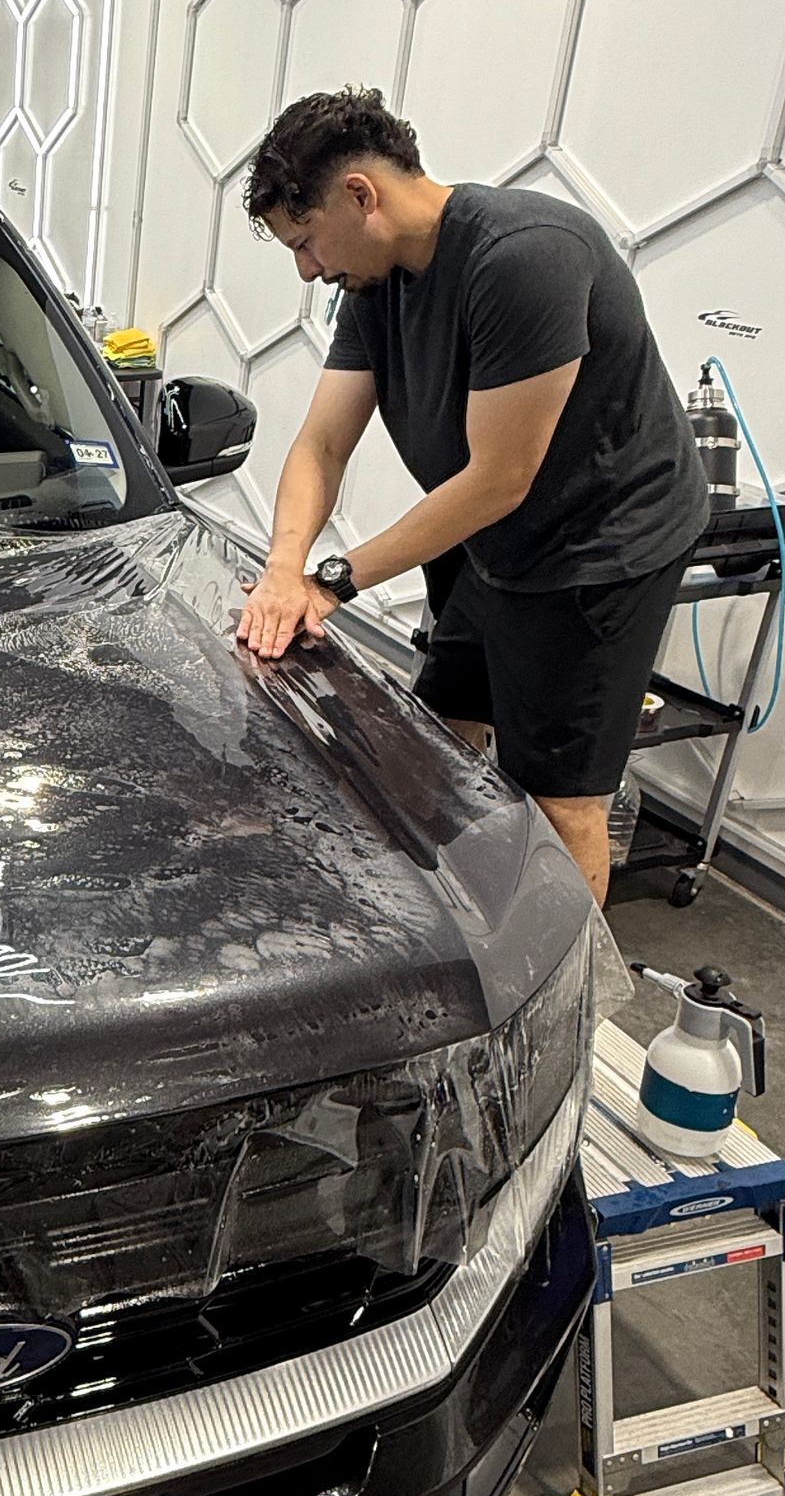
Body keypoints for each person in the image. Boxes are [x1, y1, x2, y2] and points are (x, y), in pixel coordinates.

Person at [235, 86, 708, 903]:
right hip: (492, 541)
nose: (309, 269)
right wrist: (283, 568)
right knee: (437, 734)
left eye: (305, 241)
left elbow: (500, 478)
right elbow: (321, 443)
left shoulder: (524, 256)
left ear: (360, 195)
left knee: (559, 797)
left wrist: (332, 581)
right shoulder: (376, 285)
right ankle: (438, 923)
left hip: (597, 551)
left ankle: (566, 983)